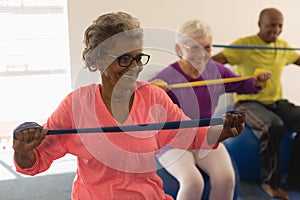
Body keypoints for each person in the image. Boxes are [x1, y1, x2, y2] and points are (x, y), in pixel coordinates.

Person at [12, 12, 246, 200]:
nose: (134, 67)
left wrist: (222, 132)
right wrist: (24, 151)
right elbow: (35, 163)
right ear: (97, 59)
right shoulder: (76, 105)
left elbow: (190, 134)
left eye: (138, 57)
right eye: (124, 58)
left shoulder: (153, 97)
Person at [149, 19, 271, 200]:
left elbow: (243, 84)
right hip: (172, 140)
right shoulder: (166, 77)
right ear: (178, 49)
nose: (202, 55)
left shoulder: (216, 71)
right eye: (194, 48)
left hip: (205, 135)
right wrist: (152, 94)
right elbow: (144, 106)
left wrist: (258, 81)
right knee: (193, 182)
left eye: (207, 48)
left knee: (226, 178)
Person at [212, 7, 300, 200]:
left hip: (276, 101)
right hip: (248, 101)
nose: (275, 30)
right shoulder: (244, 45)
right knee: (272, 126)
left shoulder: (283, 47)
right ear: (260, 24)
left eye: (279, 26)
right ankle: (270, 183)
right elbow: (213, 63)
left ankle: (295, 178)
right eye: (271, 25)